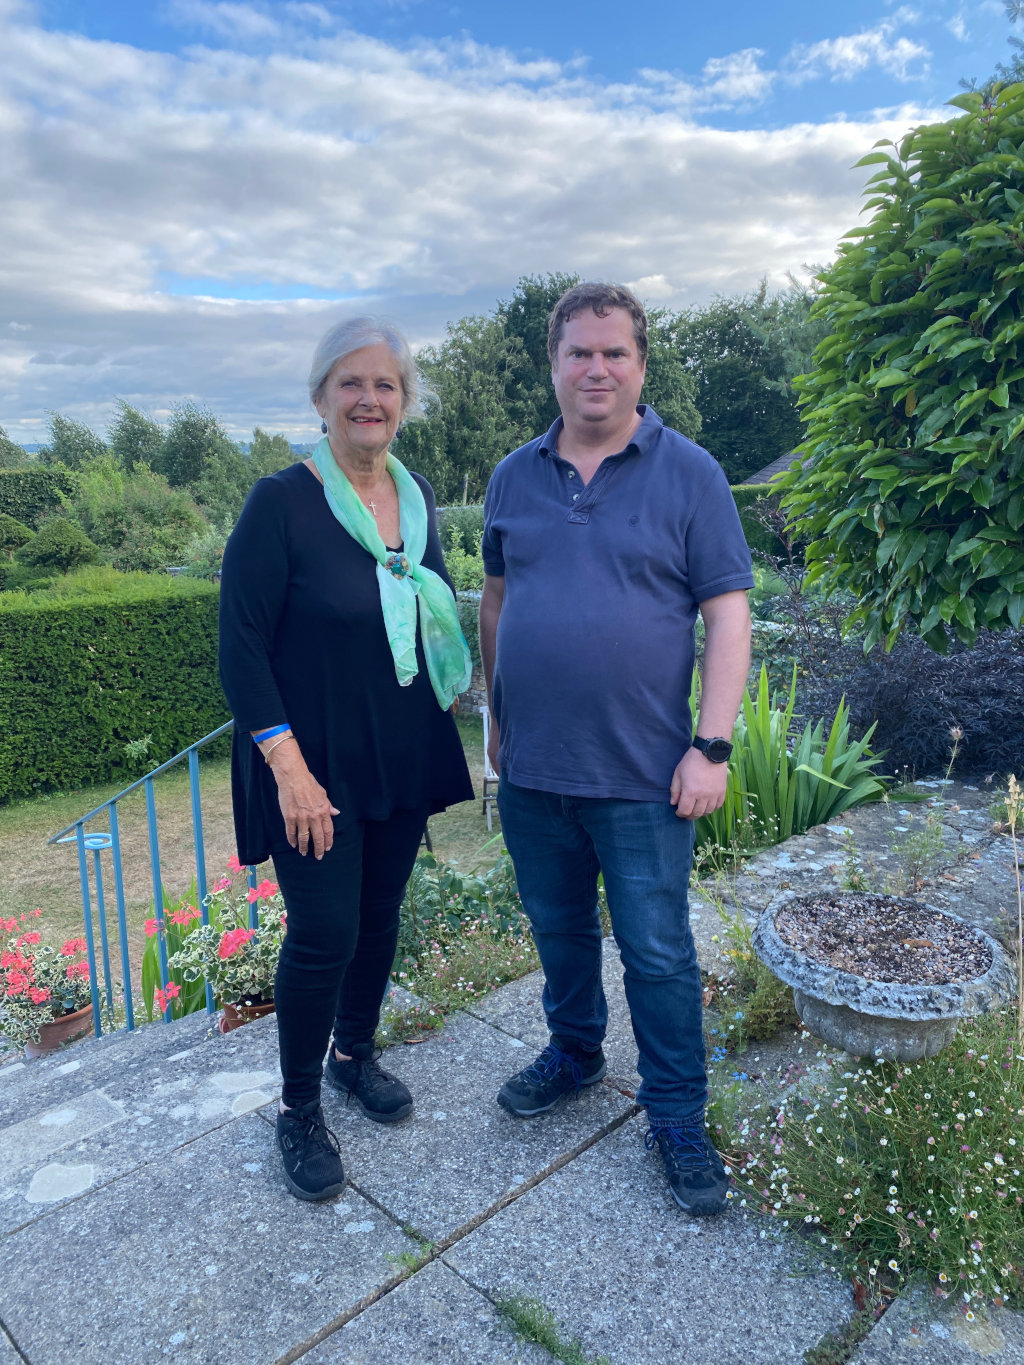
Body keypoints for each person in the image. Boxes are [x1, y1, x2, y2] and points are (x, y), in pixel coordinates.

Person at [480, 282, 752, 1217]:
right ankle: (576, 1050)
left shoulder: (692, 474)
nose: (596, 368)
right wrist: (495, 716)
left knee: (659, 953)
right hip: (533, 772)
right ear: (552, 364)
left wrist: (710, 745)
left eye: (614, 353)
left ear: (640, 363)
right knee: (556, 932)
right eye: (578, 353)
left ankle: (676, 1112)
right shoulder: (512, 477)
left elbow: (728, 615)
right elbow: (498, 599)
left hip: (643, 774)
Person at [219, 317, 473, 1202]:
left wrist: (458, 693)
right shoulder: (279, 504)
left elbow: (433, 602)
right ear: (322, 396)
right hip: (310, 762)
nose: (370, 399)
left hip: (398, 745)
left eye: (386, 386)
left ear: (403, 402)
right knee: (324, 931)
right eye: (351, 383)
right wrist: (288, 769)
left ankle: (354, 1053)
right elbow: (241, 650)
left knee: (378, 914)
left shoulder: (417, 495)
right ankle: (297, 1110)